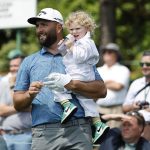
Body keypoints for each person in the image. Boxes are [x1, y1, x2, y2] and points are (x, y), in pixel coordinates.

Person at [13, 8, 107, 150]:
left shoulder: (79, 54)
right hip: (43, 133)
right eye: (37, 26)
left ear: (58, 27)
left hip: (78, 130)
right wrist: (29, 95)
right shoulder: (29, 61)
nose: (39, 29)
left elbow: (101, 90)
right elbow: (17, 103)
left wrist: (72, 84)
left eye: (44, 25)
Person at [44, 10, 109, 144]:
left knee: (54, 83)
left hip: (80, 74)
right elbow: (63, 53)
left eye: (78, 28)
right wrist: (64, 45)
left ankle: (67, 104)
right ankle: (98, 124)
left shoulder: (87, 42)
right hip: (79, 74)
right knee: (86, 100)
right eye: (72, 29)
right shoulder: (76, 40)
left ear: (88, 28)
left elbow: (80, 57)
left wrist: (71, 46)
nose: (74, 32)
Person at [0, 50, 32, 150]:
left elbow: (34, 107)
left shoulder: (32, 83)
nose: (13, 69)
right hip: (5, 135)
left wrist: (12, 108)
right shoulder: (4, 82)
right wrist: (22, 107)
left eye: (16, 66)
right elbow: (1, 110)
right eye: (11, 66)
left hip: (26, 136)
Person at [97, 43, 130, 128]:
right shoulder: (98, 70)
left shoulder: (123, 69)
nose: (106, 53)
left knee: (113, 138)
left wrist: (102, 83)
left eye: (110, 52)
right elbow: (95, 87)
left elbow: (118, 86)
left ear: (117, 54)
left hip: (116, 110)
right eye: (105, 51)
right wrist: (109, 82)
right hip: (98, 109)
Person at [122, 50, 150, 141]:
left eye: (148, 64)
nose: (144, 67)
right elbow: (124, 108)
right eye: (142, 64)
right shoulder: (136, 83)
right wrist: (133, 106)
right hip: (134, 127)